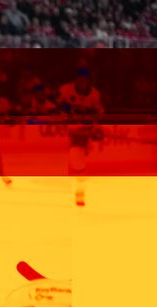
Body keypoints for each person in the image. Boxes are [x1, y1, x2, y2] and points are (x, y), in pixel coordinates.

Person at [56, 66, 104, 206]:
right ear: (75, 80)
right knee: (72, 161)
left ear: (88, 80)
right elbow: (55, 104)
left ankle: (80, 191)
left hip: (82, 132)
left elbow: (98, 114)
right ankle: (76, 184)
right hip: (67, 130)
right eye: (80, 79)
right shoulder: (65, 90)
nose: (82, 82)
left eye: (85, 79)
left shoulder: (94, 94)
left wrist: (96, 128)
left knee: (77, 159)